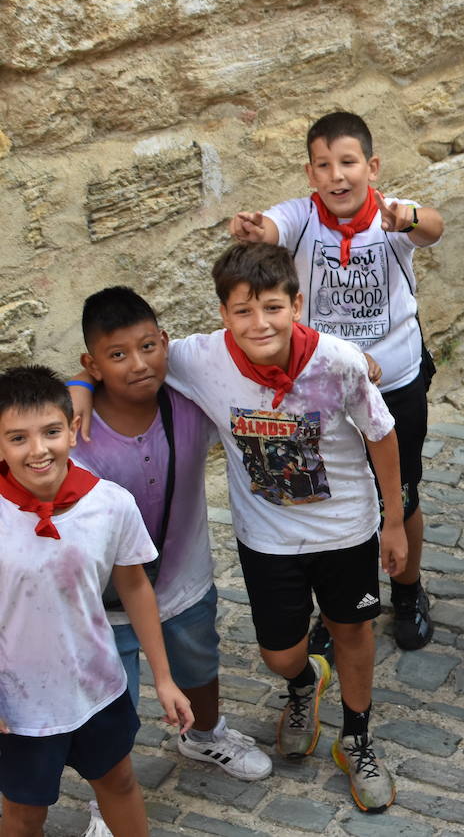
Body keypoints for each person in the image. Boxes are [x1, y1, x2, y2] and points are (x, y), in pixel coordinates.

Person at [70, 244, 407, 812]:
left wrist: (393, 522)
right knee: (280, 654)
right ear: (223, 315)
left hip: (346, 529)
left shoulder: (338, 362)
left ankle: (357, 738)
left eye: (273, 307)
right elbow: (118, 364)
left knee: (352, 632)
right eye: (243, 311)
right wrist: (76, 391)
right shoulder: (197, 360)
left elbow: (382, 433)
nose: (260, 323)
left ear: (297, 305)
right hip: (266, 536)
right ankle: (304, 683)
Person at [228, 111, 443, 652]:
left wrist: (410, 216)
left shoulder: (391, 216)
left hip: (395, 380)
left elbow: (434, 227)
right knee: (334, 494)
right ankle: (342, 605)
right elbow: (271, 228)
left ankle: (407, 588)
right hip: (321, 393)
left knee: (402, 490)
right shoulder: (301, 219)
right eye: (323, 166)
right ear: (310, 173)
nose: (336, 176)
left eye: (347, 163)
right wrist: (258, 230)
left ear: (370, 166)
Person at [75, 287, 272, 783]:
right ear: (92, 364)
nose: (138, 364)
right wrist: (72, 387)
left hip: (185, 580)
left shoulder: (189, 404)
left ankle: (205, 736)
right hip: (104, 602)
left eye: (147, 347)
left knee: (199, 660)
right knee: (112, 698)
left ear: (164, 341)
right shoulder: (73, 429)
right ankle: (111, 792)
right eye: (117, 355)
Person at [0, 366, 193, 837]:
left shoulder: (110, 504)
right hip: (19, 706)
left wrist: (164, 678)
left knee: (119, 781)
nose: (38, 450)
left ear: (71, 429)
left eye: (50, 432)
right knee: (25, 813)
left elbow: (135, 587)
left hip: (98, 688)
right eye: (17, 438)